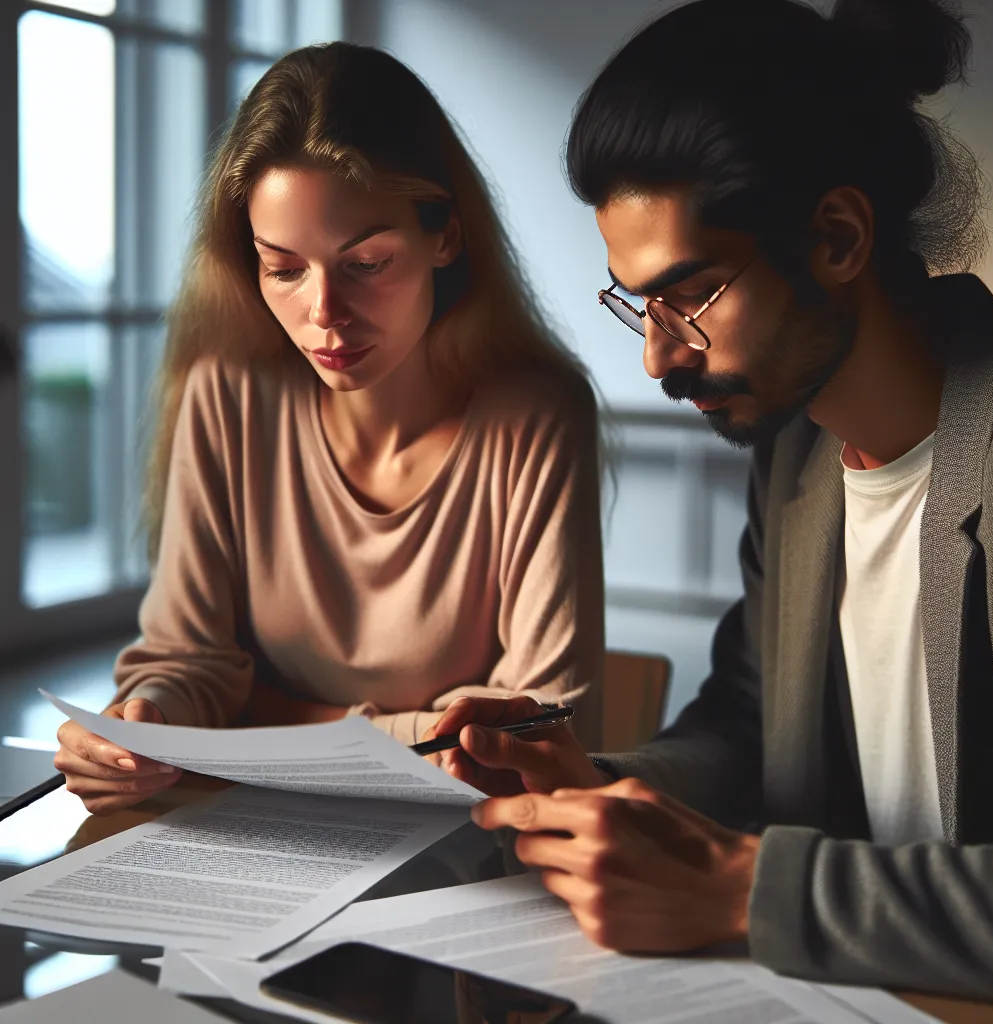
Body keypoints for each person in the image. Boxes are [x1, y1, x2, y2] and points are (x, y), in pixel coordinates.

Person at [429, 0, 993, 1003]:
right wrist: (593, 783)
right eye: (639, 305)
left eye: (691, 294)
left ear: (836, 236)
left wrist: (748, 892)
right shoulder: (795, 456)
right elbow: (750, 728)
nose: (660, 355)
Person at [53, 43, 605, 816]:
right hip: (251, 832)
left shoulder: (537, 414)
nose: (324, 315)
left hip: (455, 849)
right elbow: (190, 661)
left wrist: (266, 718)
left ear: (444, 236)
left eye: (367, 263)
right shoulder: (228, 391)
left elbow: (540, 723)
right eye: (283, 268)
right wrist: (142, 720)